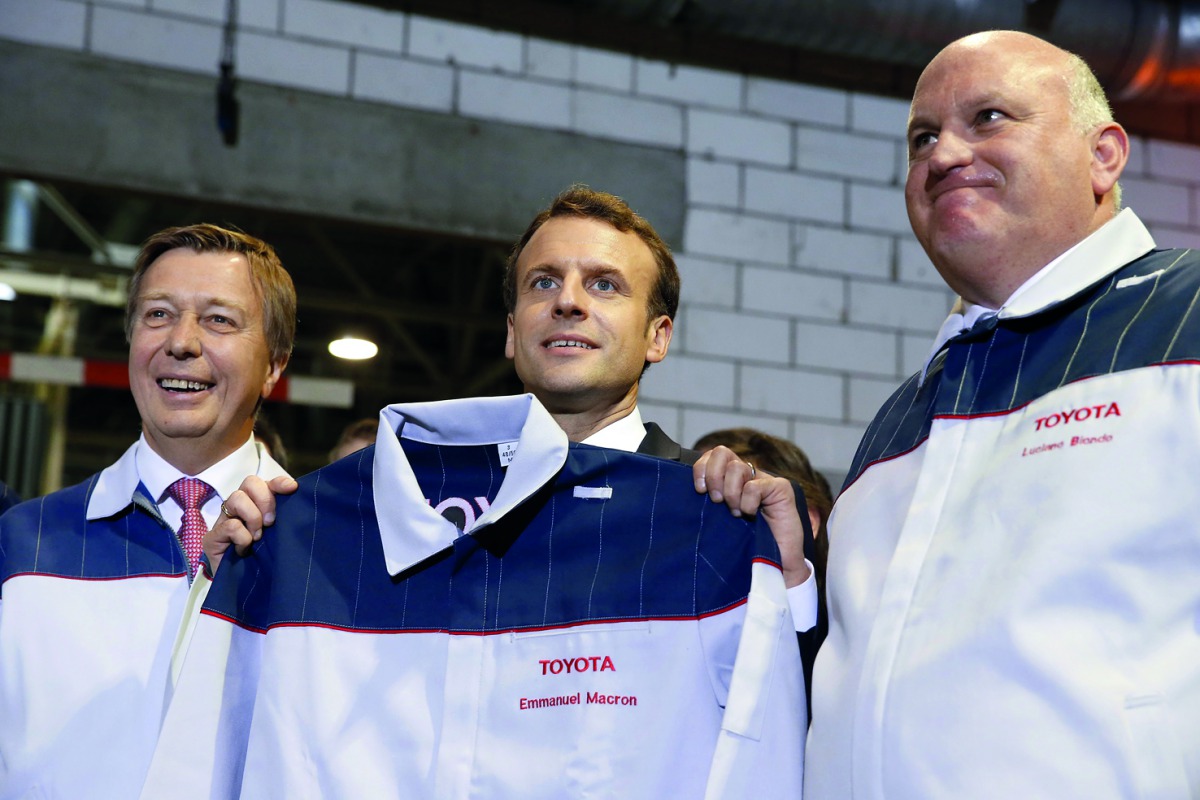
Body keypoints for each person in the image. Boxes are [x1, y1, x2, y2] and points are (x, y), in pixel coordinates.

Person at [806, 30, 1200, 798]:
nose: (944, 154)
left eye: (988, 117)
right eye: (923, 137)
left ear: (1104, 155)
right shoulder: (897, 419)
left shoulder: (1188, 315)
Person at [212, 186, 817, 646]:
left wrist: (788, 581)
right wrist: (240, 580)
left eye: (605, 285)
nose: (568, 302)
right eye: (543, 282)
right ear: (511, 330)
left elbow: (800, 721)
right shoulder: (407, 512)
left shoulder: (715, 518)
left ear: (657, 337)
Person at [0, 223, 297, 798]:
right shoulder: (21, 544)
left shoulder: (331, 557)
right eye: (158, 314)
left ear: (274, 364)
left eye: (219, 320)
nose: (181, 342)